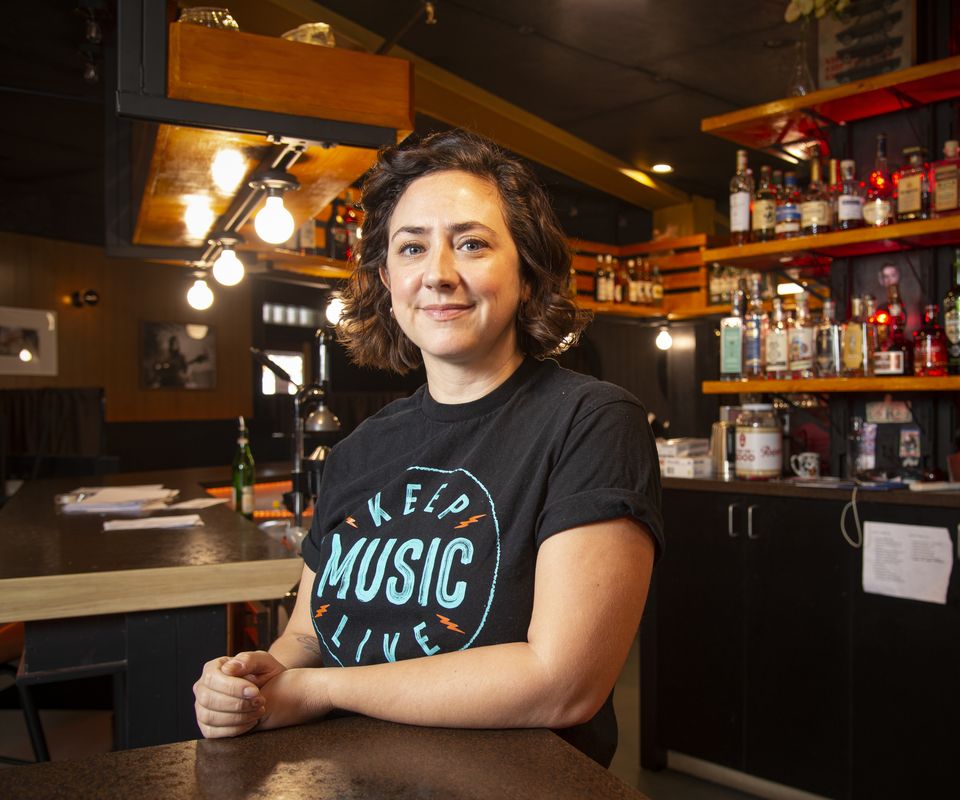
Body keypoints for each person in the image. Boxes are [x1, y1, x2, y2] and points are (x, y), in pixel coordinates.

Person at [192, 130, 663, 766]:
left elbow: (564, 683)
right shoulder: (361, 449)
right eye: (412, 248)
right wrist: (249, 682)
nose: (439, 274)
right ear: (387, 279)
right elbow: (305, 634)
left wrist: (319, 689)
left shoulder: (591, 421)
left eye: (471, 244)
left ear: (526, 271)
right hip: (346, 777)